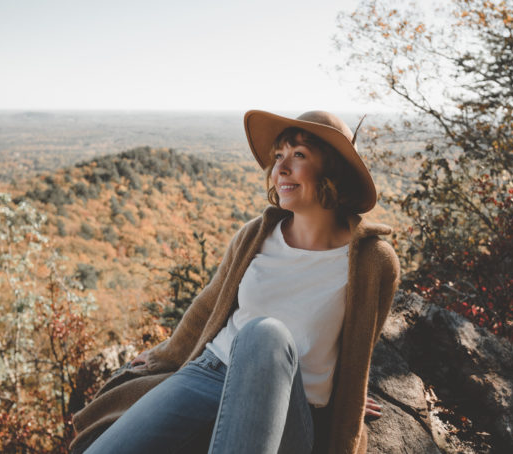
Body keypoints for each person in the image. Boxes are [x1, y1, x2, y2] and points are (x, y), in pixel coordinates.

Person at [70, 110, 400, 454]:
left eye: (298, 155)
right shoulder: (256, 235)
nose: (280, 169)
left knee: (264, 334)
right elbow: (210, 304)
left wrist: (351, 402)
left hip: (291, 402)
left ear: (333, 170)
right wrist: (163, 356)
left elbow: (358, 349)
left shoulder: (372, 262)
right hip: (210, 372)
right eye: (278, 156)